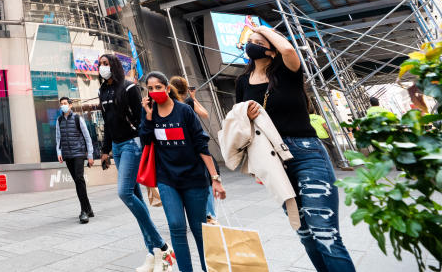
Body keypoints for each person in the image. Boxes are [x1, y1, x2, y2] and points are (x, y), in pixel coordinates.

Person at [237, 24, 357, 272]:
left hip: (306, 153)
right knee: (305, 233)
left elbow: (288, 50)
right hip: (272, 159)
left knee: (324, 233)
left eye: (258, 40)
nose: (252, 42)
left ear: (271, 50)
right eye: (251, 39)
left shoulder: (287, 71)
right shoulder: (242, 81)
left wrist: (263, 29)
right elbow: (240, 122)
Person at [141, 71, 226, 272]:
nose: (154, 92)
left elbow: (200, 144)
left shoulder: (184, 111)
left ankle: (208, 269)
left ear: (167, 88)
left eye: (158, 87)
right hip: (167, 179)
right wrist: (148, 117)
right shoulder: (149, 112)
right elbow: (145, 141)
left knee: (199, 230)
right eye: (150, 88)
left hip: (194, 178)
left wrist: (215, 178)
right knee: (176, 227)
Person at [97, 54, 172, 266]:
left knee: (124, 193)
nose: (102, 68)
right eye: (100, 64)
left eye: (105, 63)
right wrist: (105, 150)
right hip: (117, 147)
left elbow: (141, 119)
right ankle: (153, 252)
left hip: (132, 143)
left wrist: (147, 143)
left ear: (114, 65)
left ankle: (162, 246)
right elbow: (107, 122)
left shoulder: (129, 88)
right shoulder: (102, 91)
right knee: (135, 196)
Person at [169, 76, 218, 224]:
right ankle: (209, 214)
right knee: (206, 179)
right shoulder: (188, 103)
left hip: (180, 148)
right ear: (185, 89)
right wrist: (194, 98)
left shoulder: (172, 105)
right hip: (195, 145)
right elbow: (205, 114)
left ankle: (199, 214)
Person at [55, 97, 94, 223]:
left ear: (70, 105)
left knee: (79, 179)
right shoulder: (59, 120)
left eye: (65, 103)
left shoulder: (78, 118)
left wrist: (90, 155)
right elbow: (58, 138)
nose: (63, 106)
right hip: (67, 154)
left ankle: (84, 211)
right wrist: (59, 152)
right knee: (78, 181)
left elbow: (87, 137)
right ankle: (88, 208)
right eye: (61, 104)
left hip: (78, 153)